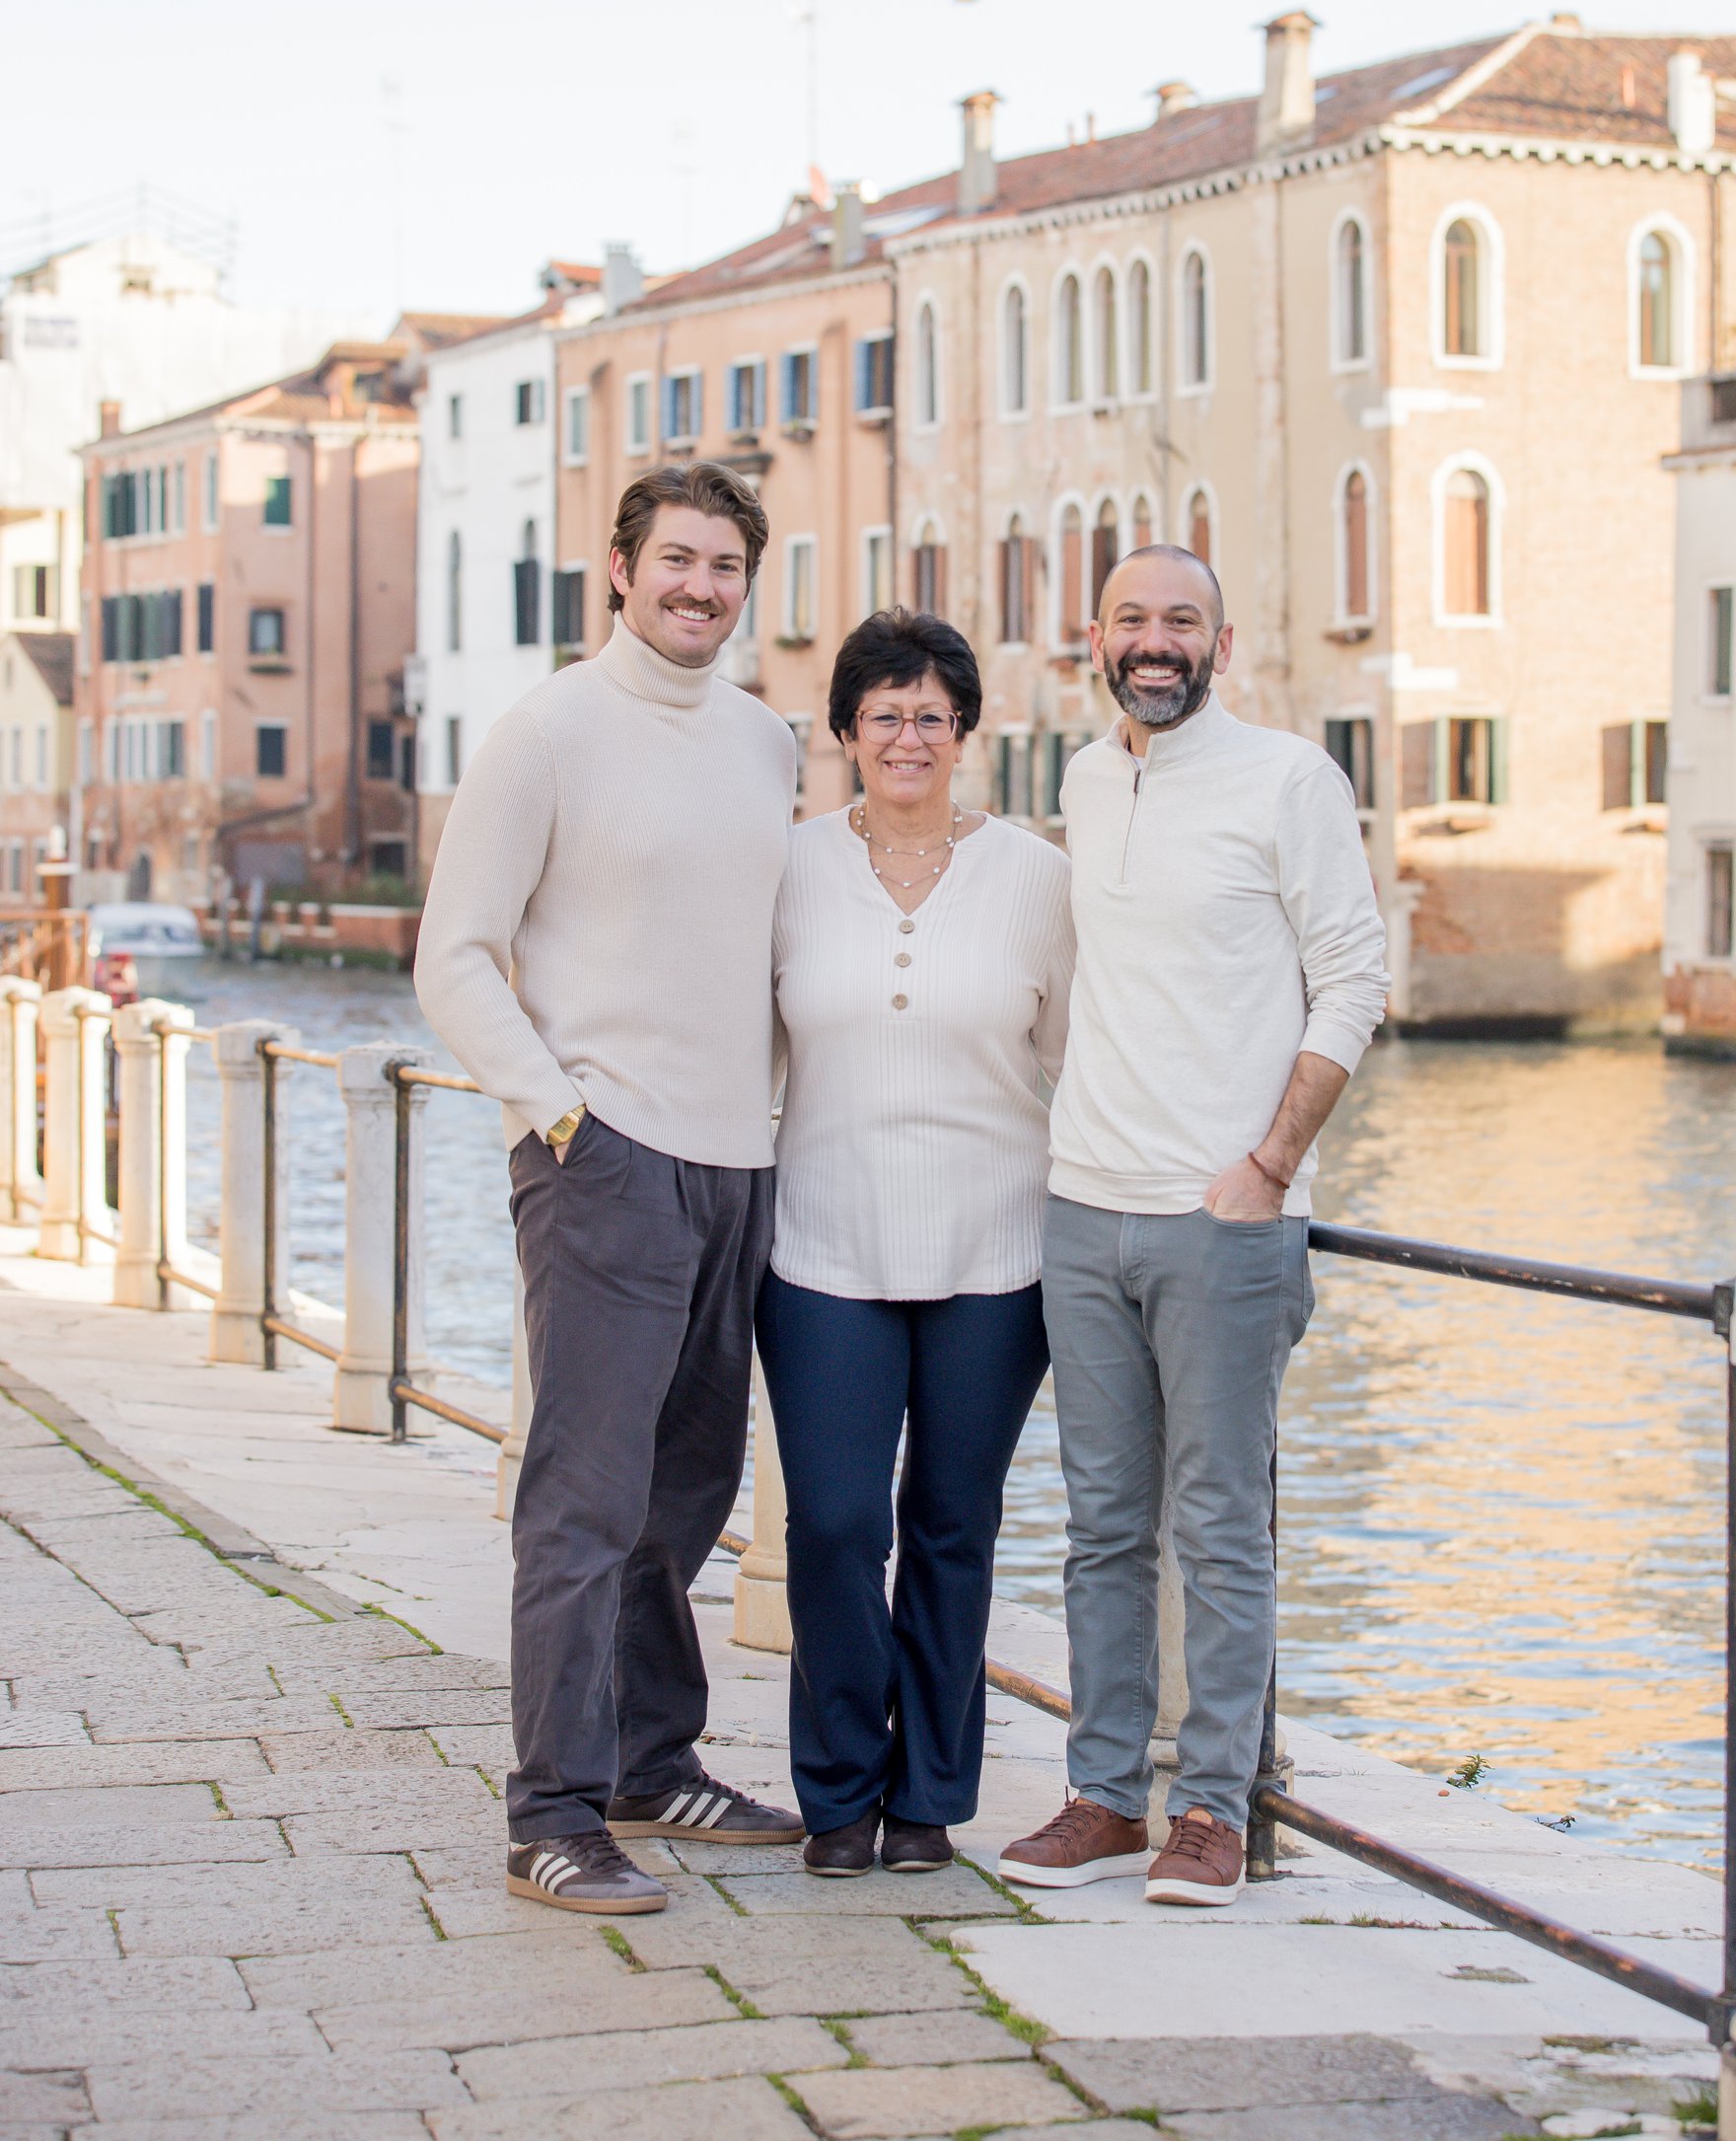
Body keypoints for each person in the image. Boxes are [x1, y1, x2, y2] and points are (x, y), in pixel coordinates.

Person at [414, 462, 804, 1917]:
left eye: (726, 566)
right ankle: (553, 1815)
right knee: (582, 1503)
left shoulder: (766, 742)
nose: (702, 587)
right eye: (678, 560)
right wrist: (560, 1114)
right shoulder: (548, 732)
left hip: (740, 1163)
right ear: (624, 573)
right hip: (608, 1161)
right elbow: (454, 954)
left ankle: (651, 1762)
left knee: (687, 1492)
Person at [999, 544, 1388, 1908]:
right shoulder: (1085, 779)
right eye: (1132, 620)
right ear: (1094, 638)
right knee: (1102, 1528)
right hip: (1083, 1209)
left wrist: (1271, 1165)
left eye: (1181, 621)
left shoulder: (1290, 779)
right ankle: (1106, 1795)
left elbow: (1354, 978)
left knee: (1219, 1528)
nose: (1154, 641)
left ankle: (1214, 1809)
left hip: (1223, 1221)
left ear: (1223, 644)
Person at [760, 608, 1074, 1878]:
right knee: (834, 1525)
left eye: (930, 716)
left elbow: (1079, 1065)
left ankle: (929, 1799)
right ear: (846, 730)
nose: (907, 737)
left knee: (953, 1526)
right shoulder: (787, 870)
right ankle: (839, 1791)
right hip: (820, 1248)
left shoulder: (1037, 880)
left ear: (964, 732)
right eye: (883, 714)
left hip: (996, 1255)